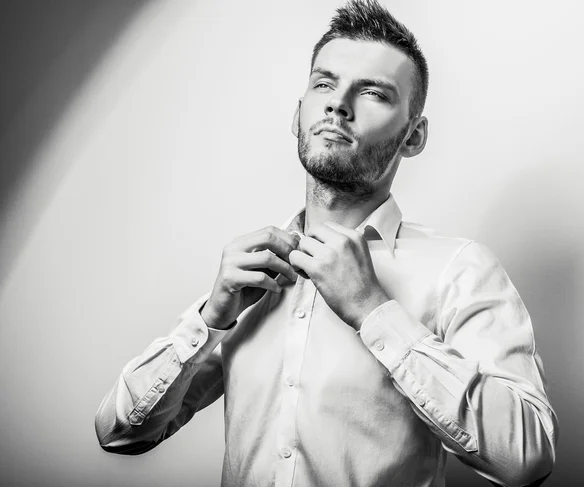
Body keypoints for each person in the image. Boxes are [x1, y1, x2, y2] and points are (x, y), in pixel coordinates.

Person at [95, 1, 558, 485]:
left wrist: (375, 312)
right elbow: (120, 433)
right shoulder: (253, 276)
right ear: (299, 115)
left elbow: (527, 458)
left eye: (374, 92)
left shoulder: (460, 270)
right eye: (324, 84)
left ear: (413, 136)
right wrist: (210, 318)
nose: (338, 104)